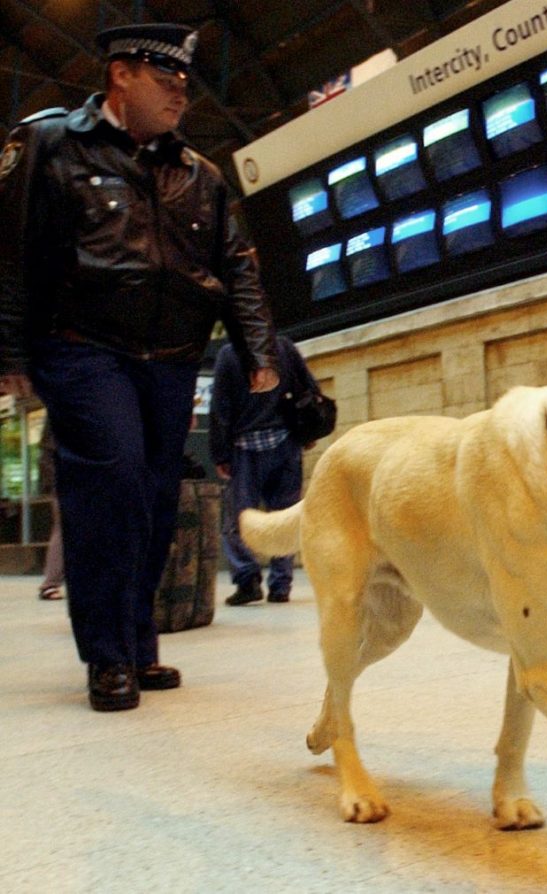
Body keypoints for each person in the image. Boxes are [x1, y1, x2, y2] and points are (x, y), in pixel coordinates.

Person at [0, 24, 279, 712]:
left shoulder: (199, 174)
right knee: (114, 482)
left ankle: (139, 644)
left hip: (172, 358)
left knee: (156, 499)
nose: (181, 94)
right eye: (166, 80)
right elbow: (8, 251)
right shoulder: (51, 144)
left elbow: (237, 265)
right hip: (82, 346)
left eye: (186, 83)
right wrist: (8, 352)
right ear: (120, 75)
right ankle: (107, 656)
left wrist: (259, 352)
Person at [210, 335, 315, 606]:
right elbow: (308, 387)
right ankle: (280, 585)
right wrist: (309, 430)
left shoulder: (229, 354)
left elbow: (220, 405)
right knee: (284, 516)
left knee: (239, 519)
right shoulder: (283, 347)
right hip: (285, 443)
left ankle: (247, 580)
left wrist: (220, 453)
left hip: (244, 448)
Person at [36, 418, 64, 601]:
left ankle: (51, 582)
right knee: (63, 529)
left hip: (61, 480)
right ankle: (50, 583)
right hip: (64, 481)